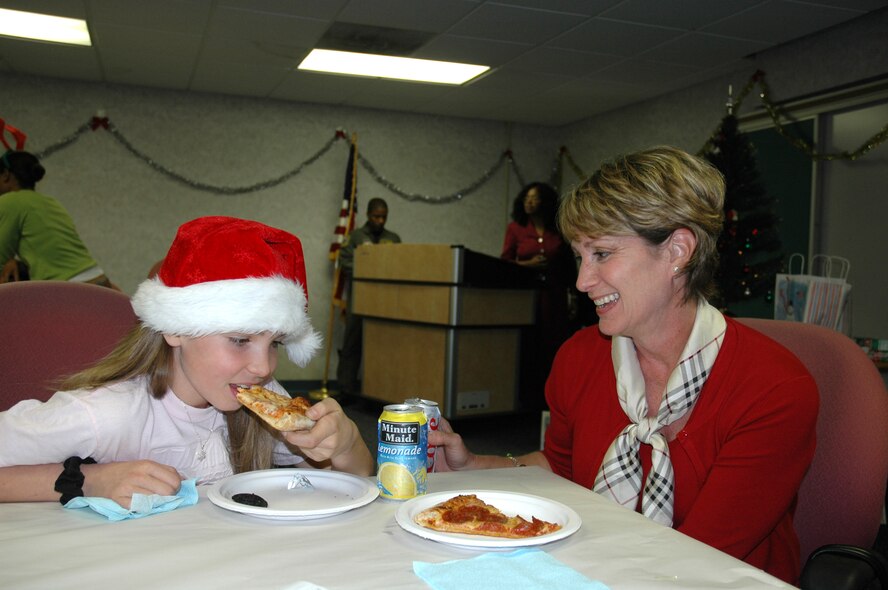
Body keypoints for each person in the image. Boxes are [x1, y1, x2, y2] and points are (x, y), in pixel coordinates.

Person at [430, 147, 818, 585]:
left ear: (678, 250)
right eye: (580, 256)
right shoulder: (581, 356)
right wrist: (472, 466)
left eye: (602, 253)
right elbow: (562, 468)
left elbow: (699, 558)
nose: (582, 281)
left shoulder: (774, 388)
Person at [0, 216, 373, 508]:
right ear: (175, 330)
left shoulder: (260, 396)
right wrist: (88, 481)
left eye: (274, 343)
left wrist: (345, 445)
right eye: (240, 339)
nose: (263, 367)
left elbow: (350, 478)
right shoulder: (106, 414)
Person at [501, 182, 578, 410]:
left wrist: (573, 298)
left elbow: (569, 267)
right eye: (526, 198)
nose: (529, 202)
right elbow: (504, 262)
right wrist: (528, 264)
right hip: (527, 297)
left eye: (534, 198)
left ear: (545, 202)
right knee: (529, 346)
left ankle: (553, 400)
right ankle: (527, 401)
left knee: (554, 346)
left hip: (554, 297)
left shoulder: (559, 231)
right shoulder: (516, 228)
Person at [0, 150, 116, 288]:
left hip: (68, 286)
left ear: (6, 175)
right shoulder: (50, 202)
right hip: (97, 278)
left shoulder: (9, 201)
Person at [336, 197, 401, 396]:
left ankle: (379, 391)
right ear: (368, 215)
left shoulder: (393, 238)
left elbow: (402, 263)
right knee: (352, 345)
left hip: (385, 300)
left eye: (384, 217)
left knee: (382, 346)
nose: (380, 221)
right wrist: (369, 270)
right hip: (360, 299)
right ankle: (346, 390)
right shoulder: (355, 237)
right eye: (376, 216)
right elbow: (344, 260)